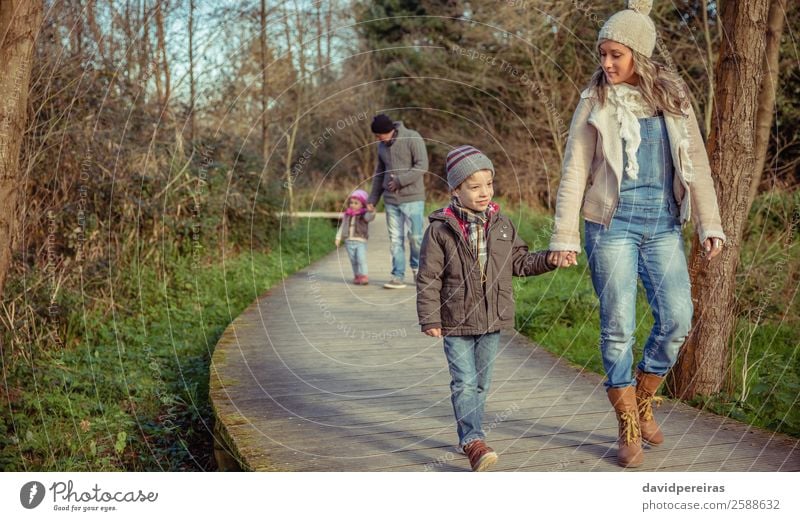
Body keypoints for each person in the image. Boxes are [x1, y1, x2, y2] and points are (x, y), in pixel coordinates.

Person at [548, 0, 726, 468]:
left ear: (639, 55)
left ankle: (644, 397)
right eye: (602, 54)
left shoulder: (672, 96)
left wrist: (710, 224)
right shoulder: (595, 99)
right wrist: (564, 236)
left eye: (615, 55)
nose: (605, 64)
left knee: (677, 319)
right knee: (618, 328)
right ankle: (627, 420)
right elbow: (575, 170)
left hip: (664, 223)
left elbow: (698, 166)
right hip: (610, 226)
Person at [417, 145, 564, 471]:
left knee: (481, 383)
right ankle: (473, 440)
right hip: (455, 320)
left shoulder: (502, 225)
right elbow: (428, 277)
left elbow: (521, 263)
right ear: (455, 189)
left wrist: (550, 259)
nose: (484, 192)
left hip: (491, 318)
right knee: (464, 382)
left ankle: (470, 434)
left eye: (488, 184)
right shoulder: (440, 230)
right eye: (474, 186)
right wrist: (430, 317)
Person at [366, 114, 428, 289]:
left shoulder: (412, 138)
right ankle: (397, 276)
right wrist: (372, 200)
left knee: (415, 238)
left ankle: (417, 270)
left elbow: (422, 166)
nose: (377, 139)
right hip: (391, 201)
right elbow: (379, 175)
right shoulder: (381, 147)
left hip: (413, 199)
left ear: (389, 131)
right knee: (395, 240)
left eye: (379, 135)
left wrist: (400, 180)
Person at [335, 189, 376, 285]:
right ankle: (357, 275)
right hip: (348, 241)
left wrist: (372, 212)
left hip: (360, 240)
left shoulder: (364, 215)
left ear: (362, 204)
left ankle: (364, 275)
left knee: (361, 259)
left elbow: (370, 217)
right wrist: (338, 237)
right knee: (353, 260)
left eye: (356, 203)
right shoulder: (347, 215)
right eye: (351, 203)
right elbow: (342, 226)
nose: (352, 205)